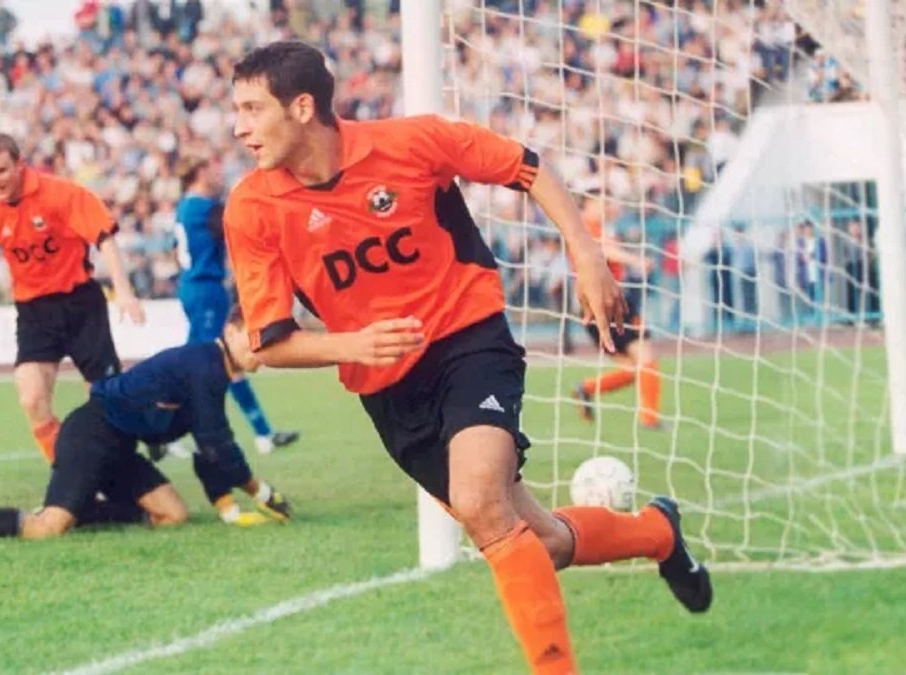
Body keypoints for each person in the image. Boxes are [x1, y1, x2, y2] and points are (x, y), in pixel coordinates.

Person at [222, 41, 711, 674]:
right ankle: (657, 532)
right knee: (539, 541)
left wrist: (586, 254)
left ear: (302, 107)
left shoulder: (411, 142)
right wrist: (353, 345)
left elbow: (526, 167)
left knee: (480, 502)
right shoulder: (252, 208)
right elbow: (270, 344)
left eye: (253, 109)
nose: (240, 127)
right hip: (388, 390)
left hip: (467, 339)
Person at [0, 315, 293, 543]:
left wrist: (229, 506)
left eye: (266, 342)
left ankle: (81, 509)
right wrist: (261, 492)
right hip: (90, 435)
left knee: (172, 514)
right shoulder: (204, 365)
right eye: (254, 337)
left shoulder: (210, 369)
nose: (261, 349)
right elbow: (216, 442)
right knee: (48, 529)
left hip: (121, 447)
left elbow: (210, 447)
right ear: (231, 330)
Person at [0, 133, 145, 464]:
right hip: (35, 312)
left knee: (107, 399)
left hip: (80, 305)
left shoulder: (60, 194)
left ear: (20, 165)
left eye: (1, 171)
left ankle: (145, 436)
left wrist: (124, 291)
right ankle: (68, 471)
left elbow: (104, 237)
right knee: (32, 399)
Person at [169, 154, 299, 456]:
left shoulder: (185, 207)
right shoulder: (204, 207)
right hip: (205, 289)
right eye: (212, 169)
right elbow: (242, 226)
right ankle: (170, 431)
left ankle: (261, 432)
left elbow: (177, 251)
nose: (218, 175)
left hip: (196, 287)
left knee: (210, 360)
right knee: (219, 361)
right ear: (200, 173)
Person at [571, 191, 663, 430]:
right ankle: (650, 420)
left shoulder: (597, 227)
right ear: (588, 203)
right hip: (607, 303)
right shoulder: (584, 227)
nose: (607, 206)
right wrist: (636, 260)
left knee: (634, 368)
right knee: (646, 358)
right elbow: (603, 251)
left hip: (600, 304)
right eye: (603, 201)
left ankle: (587, 388)